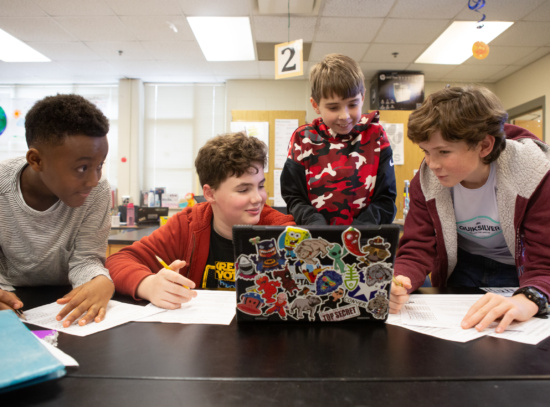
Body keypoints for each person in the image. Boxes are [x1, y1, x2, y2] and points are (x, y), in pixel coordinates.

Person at [390, 86, 550, 333]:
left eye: (443, 152)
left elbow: (545, 260)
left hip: (520, 270)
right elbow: (416, 247)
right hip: (463, 267)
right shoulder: (426, 180)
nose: (431, 164)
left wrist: (530, 297)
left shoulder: (536, 174)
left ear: (484, 146)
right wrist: (399, 281)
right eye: (426, 151)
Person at [107, 133, 295, 309]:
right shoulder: (187, 225)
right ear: (210, 194)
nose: (258, 198)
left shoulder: (280, 230)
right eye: (243, 190)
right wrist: (148, 285)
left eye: (260, 186)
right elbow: (118, 261)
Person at [0, 94, 114, 327]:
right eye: (82, 168)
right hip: (9, 295)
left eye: (99, 165)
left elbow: (86, 259)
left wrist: (100, 279)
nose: (94, 180)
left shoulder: (97, 191)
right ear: (36, 161)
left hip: (66, 297)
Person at [281, 53, 396, 225]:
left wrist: (358, 231)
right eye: (333, 107)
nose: (345, 115)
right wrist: (315, 224)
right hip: (316, 240)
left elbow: (386, 198)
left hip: (364, 240)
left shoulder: (376, 135)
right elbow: (293, 197)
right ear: (315, 105)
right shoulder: (302, 139)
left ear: (363, 97)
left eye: (353, 104)